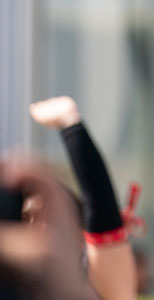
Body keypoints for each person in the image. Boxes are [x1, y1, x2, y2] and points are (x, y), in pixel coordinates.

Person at [28, 96, 139, 300]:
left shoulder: (95, 289)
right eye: (26, 218)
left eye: (48, 215)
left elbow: (101, 211)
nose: (37, 225)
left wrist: (70, 124)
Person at [0, 158, 101, 300]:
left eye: (41, 215)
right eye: (26, 217)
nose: (33, 224)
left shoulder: (102, 288)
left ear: (77, 234)